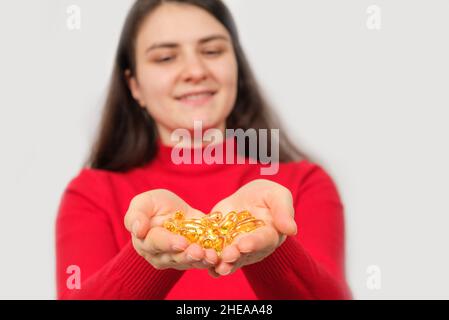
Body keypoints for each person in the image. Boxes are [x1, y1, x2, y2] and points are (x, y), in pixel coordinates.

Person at [55, 0, 352, 299]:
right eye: (166, 57)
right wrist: (147, 257)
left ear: (236, 66)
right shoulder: (91, 194)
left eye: (212, 51)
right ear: (134, 86)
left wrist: (272, 250)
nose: (195, 71)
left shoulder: (303, 184)